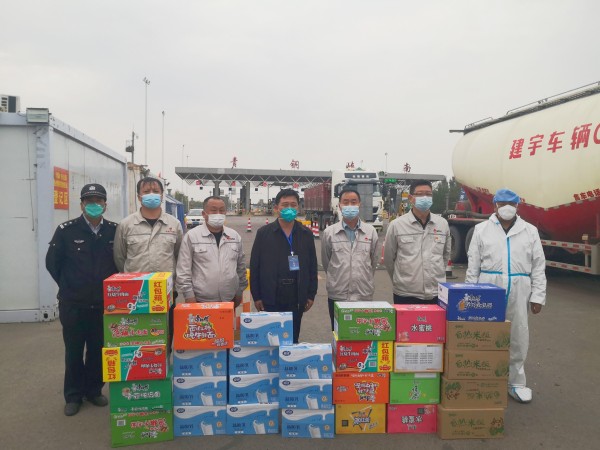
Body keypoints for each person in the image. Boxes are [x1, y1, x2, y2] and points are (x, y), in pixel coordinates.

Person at [465, 188, 546, 404]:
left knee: (518, 334)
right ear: (494, 206)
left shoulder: (529, 231)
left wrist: (538, 296)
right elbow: (473, 265)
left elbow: (538, 265)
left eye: (511, 204)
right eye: (502, 204)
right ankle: (484, 377)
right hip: (488, 287)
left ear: (517, 206)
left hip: (520, 287)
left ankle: (516, 382)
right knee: (485, 335)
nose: (506, 208)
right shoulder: (481, 229)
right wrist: (470, 294)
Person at [46, 183, 118, 416]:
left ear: (105, 204)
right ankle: (73, 395)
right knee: (74, 351)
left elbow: (120, 262)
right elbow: (53, 263)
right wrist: (71, 285)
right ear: (81, 205)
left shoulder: (114, 231)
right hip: (73, 304)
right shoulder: (66, 231)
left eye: (98, 201)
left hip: (104, 305)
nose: (94, 205)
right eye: (89, 201)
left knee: (98, 350)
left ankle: (94, 390)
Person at [113, 177, 183, 347]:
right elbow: (120, 257)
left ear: (162, 195)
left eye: (155, 191)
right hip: (135, 294)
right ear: (139, 196)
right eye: (146, 192)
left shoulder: (174, 224)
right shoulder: (126, 225)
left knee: (165, 338)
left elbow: (179, 255)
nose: (151, 194)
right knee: (138, 337)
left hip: (165, 292)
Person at [250, 189, 318, 343]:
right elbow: (255, 266)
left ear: (298, 207)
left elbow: (312, 266)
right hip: (271, 294)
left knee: (292, 338)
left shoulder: (306, 234)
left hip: (296, 295)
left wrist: (311, 294)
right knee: (271, 339)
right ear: (276, 208)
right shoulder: (264, 233)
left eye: (293, 205)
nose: (289, 208)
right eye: (285, 205)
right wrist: (257, 296)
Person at [383, 179, 451, 304]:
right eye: (420, 194)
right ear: (411, 198)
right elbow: (388, 259)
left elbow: (445, 256)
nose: (425, 197)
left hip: (436, 292)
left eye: (428, 194)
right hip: (405, 293)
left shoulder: (442, 224)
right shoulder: (397, 225)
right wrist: (401, 280)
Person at [321, 188, 379, 330]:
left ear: (359, 204)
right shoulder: (329, 233)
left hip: (363, 294)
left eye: (353, 202)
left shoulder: (370, 232)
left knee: (363, 334)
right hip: (338, 295)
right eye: (345, 202)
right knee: (339, 334)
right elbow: (327, 262)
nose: (350, 206)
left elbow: (373, 262)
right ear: (339, 205)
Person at [176, 196, 248, 304]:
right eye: (214, 210)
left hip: (229, 300)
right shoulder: (192, 236)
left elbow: (241, 267)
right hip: (200, 301)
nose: (218, 214)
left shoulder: (234, 236)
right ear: (204, 214)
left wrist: (239, 291)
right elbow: (183, 270)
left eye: (222, 210)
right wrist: (188, 295)